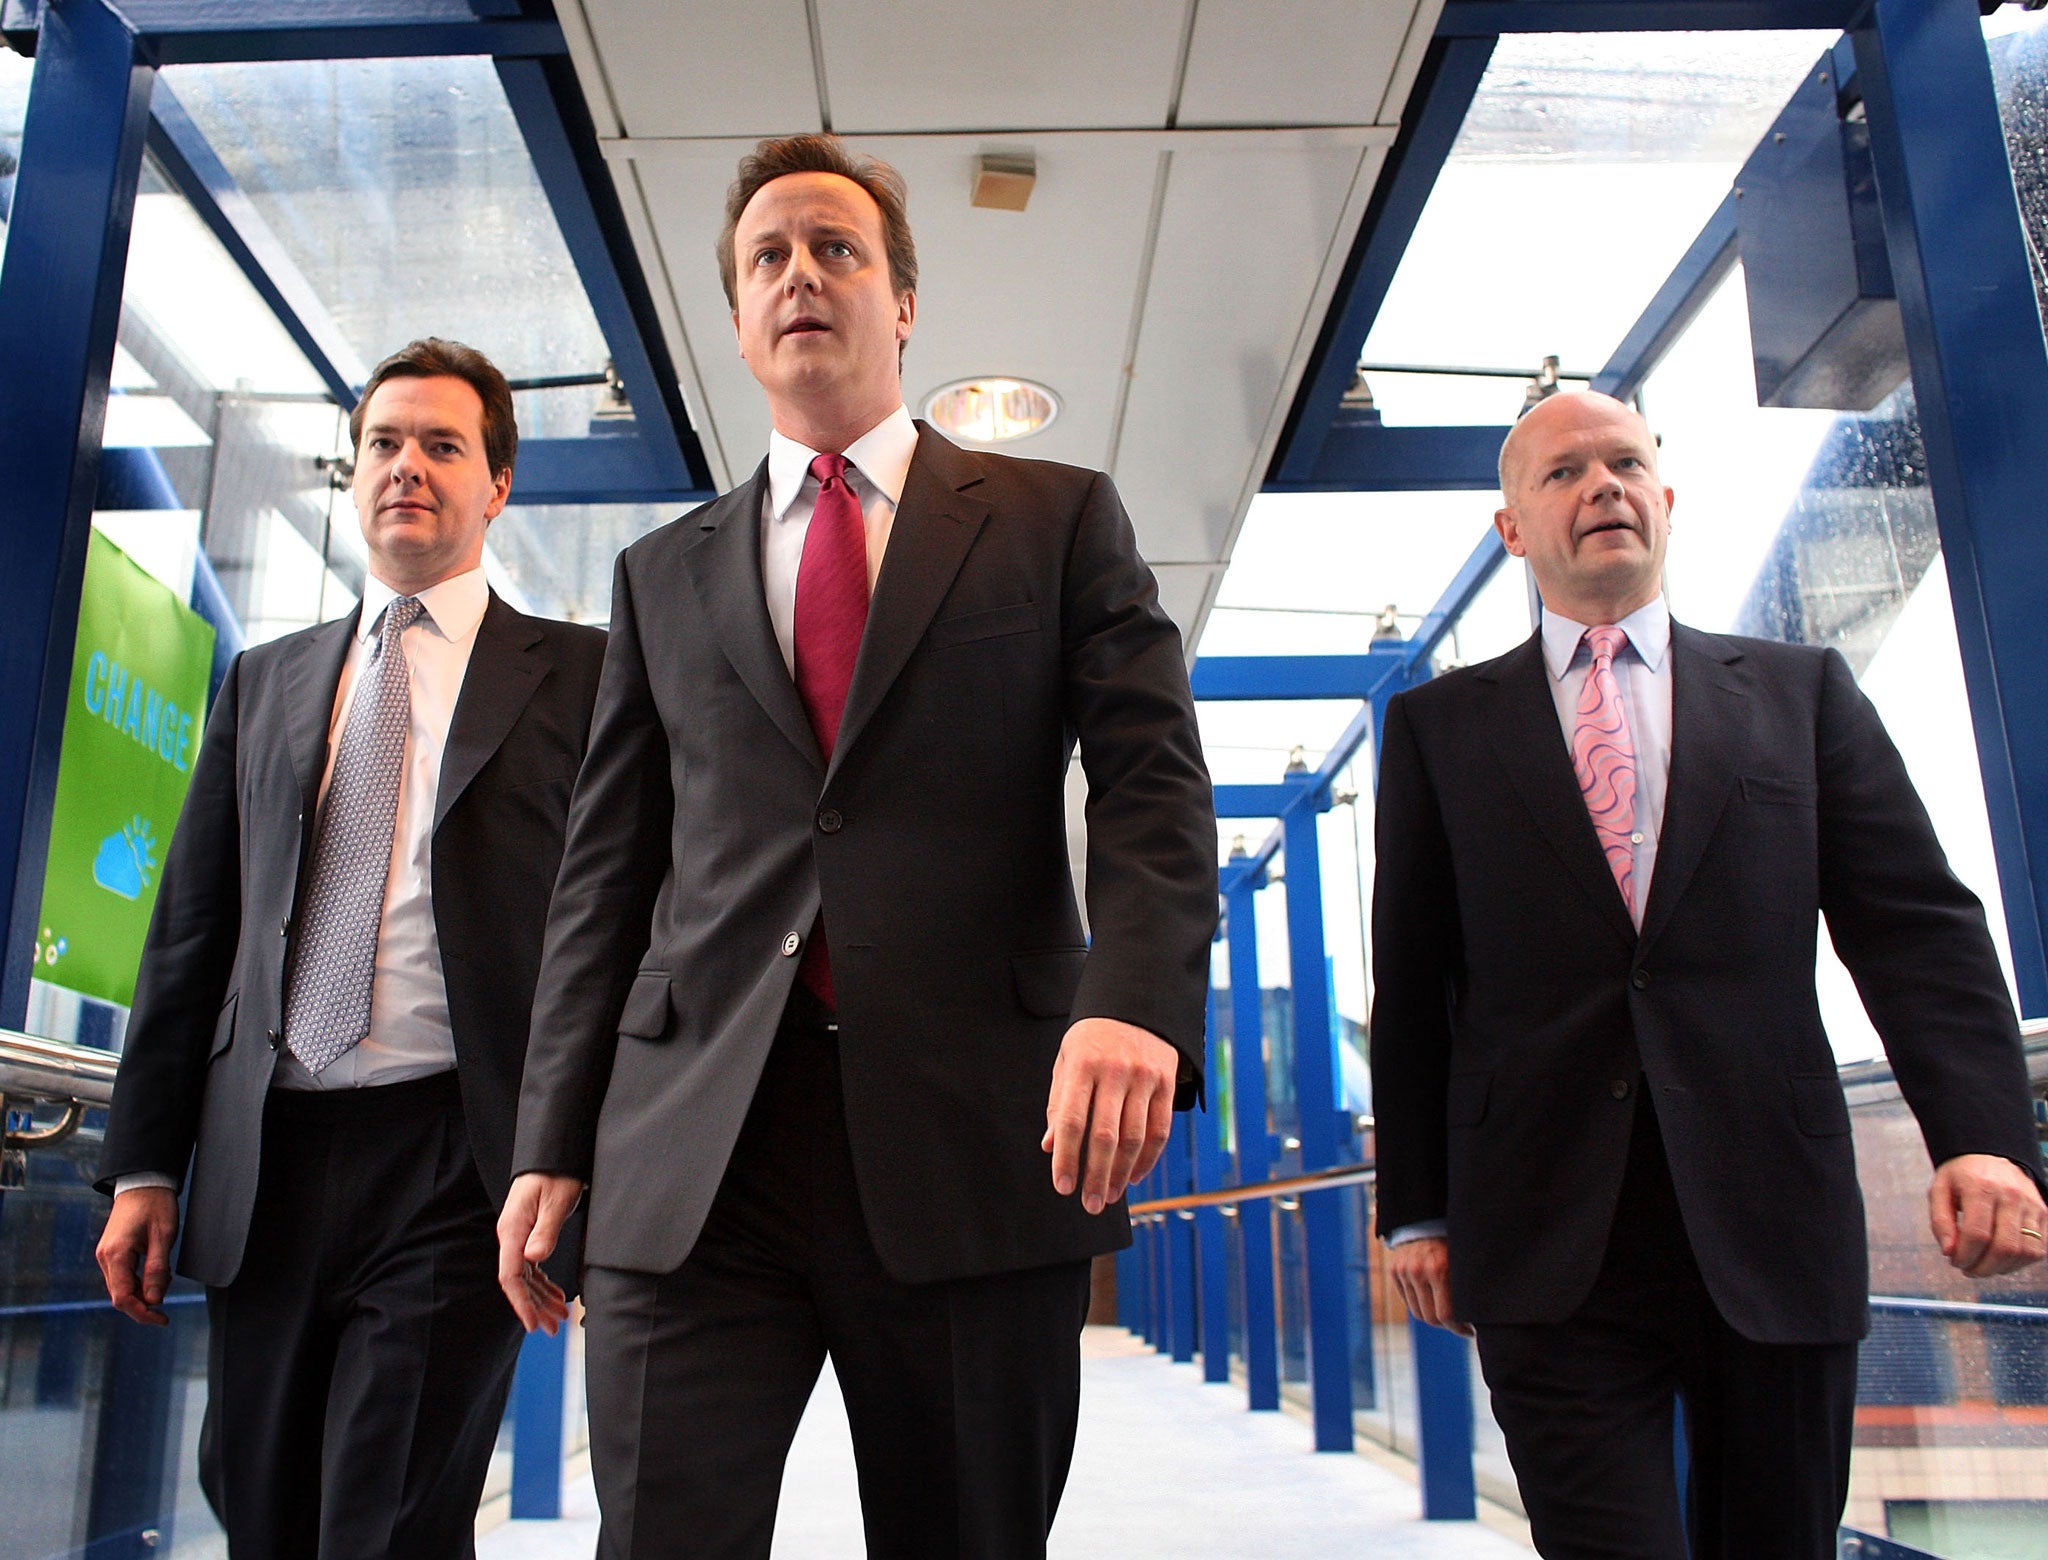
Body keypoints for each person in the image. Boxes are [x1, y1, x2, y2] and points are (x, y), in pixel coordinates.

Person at [496, 133, 1216, 1557]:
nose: (801, 274)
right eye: (769, 255)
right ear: (739, 316)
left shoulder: (1054, 519)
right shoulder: (662, 575)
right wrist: (549, 1139)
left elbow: (1151, 782)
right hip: (694, 1153)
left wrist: (1130, 1003)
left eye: (838, 249)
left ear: (901, 304)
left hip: (970, 1138)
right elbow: (606, 882)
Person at [1369, 389, 2047, 1558]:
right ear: (1511, 530)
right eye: (1564, 473)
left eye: (1625, 463)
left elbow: (1913, 928)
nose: (1602, 488)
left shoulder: (1799, 694)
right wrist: (1415, 1207)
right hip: (1542, 1235)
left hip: (1768, 1220)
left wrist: (1979, 1134)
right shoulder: (1438, 731)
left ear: (1666, 502)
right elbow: (1414, 981)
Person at [95, 338, 607, 1558]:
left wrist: (576, 1150)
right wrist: (142, 1163)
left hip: (455, 1159)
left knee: (382, 1516)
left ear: (497, 485)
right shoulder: (267, 683)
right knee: (260, 1506)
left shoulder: (581, 678)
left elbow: (615, 931)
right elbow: (191, 935)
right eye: (383, 442)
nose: (406, 468)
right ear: (353, 470)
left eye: (443, 445)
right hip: (265, 1154)